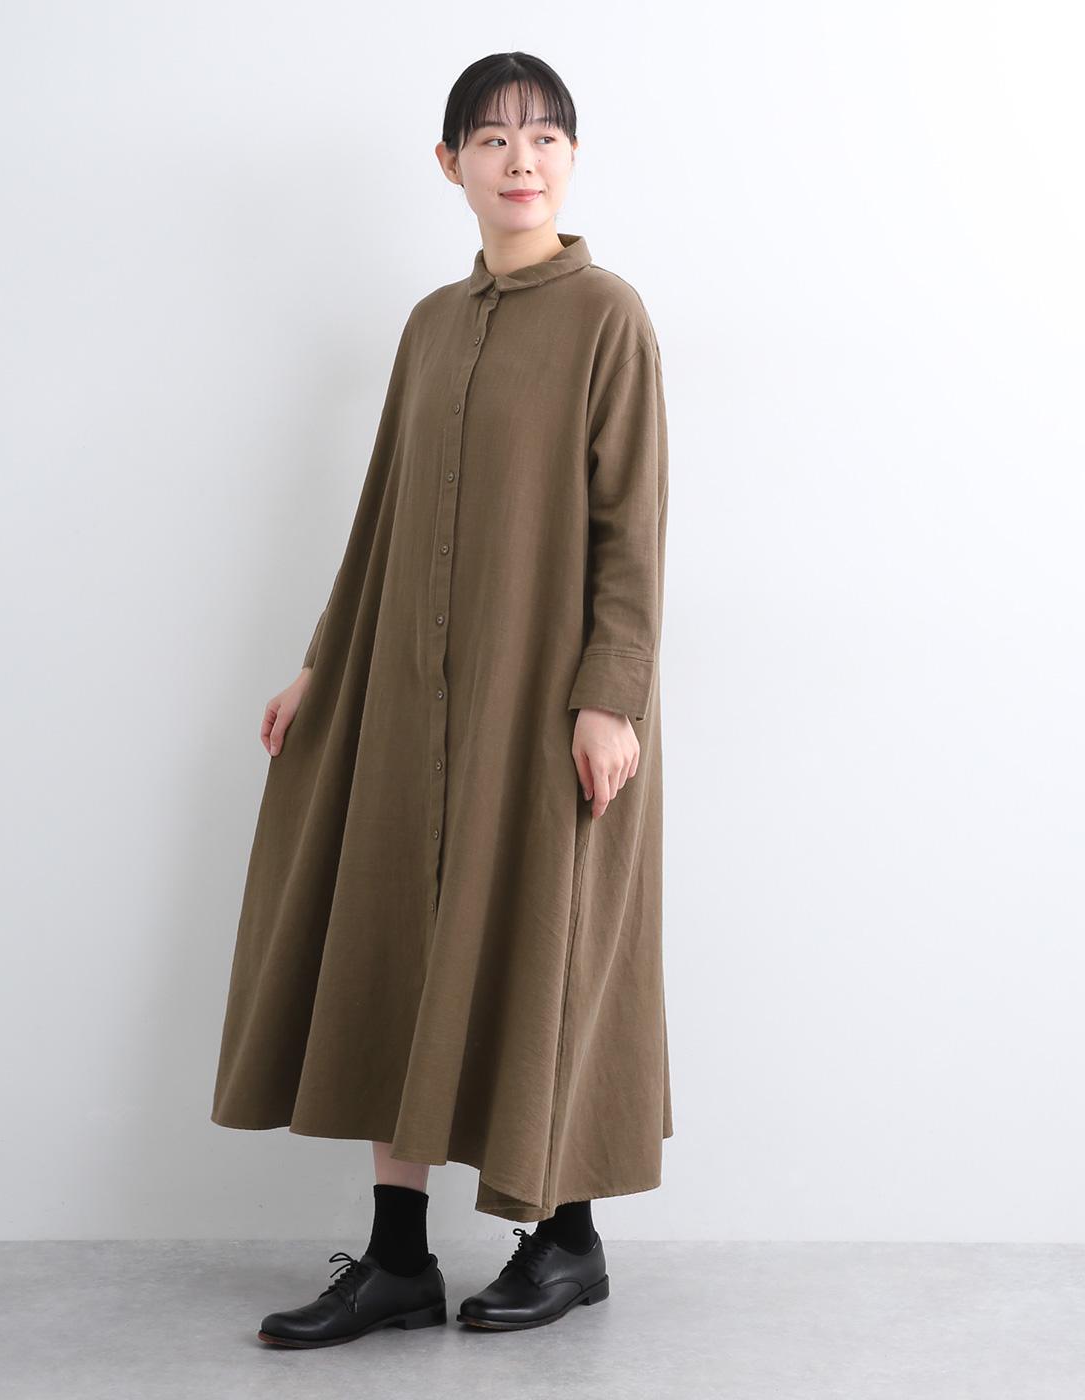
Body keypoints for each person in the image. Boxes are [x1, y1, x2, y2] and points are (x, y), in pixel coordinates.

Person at [211, 51, 672, 1348]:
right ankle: (399, 1257)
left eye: (545, 137)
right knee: (395, 941)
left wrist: (611, 697)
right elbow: (382, 513)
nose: (521, 160)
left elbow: (632, 528)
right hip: (413, 694)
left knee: (545, 938)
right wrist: (325, 662)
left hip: (547, 701)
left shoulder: (609, 316)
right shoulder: (428, 325)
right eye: (492, 138)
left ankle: (567, 1240)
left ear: (572, 158)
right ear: (450, 163)